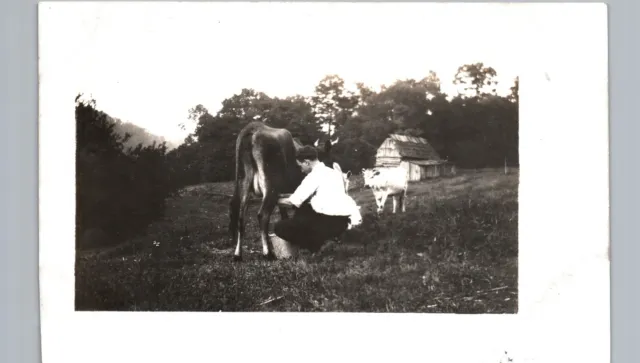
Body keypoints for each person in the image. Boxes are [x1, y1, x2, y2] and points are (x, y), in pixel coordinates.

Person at [274, 145, 362, 252]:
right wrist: (283, 196)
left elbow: (293, 202)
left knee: (280, 227)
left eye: (300, 166)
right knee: (304, 209)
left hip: (327, 222)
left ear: (307, 162)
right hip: (343, 221)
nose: (301, 170)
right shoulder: (333, 172)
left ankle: (315, 245)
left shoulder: (313, 176)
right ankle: (333, 238)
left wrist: (272, 201)